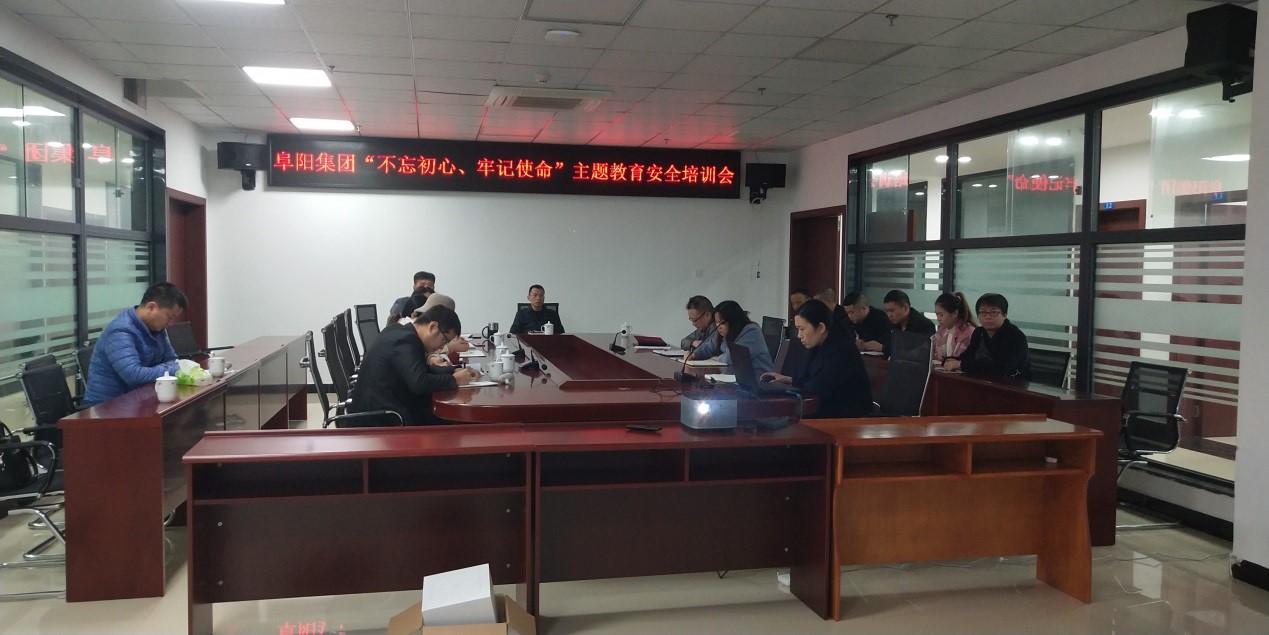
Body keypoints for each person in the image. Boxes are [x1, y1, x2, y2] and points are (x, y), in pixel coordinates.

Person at [349, 304, 480, 426]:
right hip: (382, 420)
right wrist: (454, 380)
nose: (442, 346)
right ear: (433, 327)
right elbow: (420, 382)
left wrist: (453, 371)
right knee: (456, 422)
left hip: (385, 409)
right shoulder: (406, 340)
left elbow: (421, 370)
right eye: (444, 340)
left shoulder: (399, 331)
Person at [762, 300, 871, 418]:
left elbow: (818, 386)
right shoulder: (818, 345)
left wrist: (789, 386)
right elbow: (810, 379)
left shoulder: (843, 350)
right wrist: (787, 379)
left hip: (846, 418)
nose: (799, 335)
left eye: (802, 329)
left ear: (820, 327)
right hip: (826, 410)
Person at [83, 282, 187, 406]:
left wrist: (170, 368)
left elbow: (172, 360)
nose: (171, 323)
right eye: (170, 317)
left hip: (139, 398)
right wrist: (177, 369)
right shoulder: (121, 330)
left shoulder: (157, 328)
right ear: (151, 307)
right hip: (106, 406)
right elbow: (134, 375)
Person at [944, 293, 1032, 380]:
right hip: (984, 382)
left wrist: (960, 364)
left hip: (1013, 385)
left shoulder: (1015, 336)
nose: (988, 317)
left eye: (993, 312)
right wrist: (951, 360)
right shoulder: (979, 332)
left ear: (1005, 314)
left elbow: (1001, 367)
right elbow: (967, 356)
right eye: (983, 313)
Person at [690, 300, 773, 375]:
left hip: (759, 380)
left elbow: (733, 358)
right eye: (716, 322)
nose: (718, 327)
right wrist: (694, 354)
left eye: (722, 323)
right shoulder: (725, 333)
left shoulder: (751, 331)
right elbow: (709, 346)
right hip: (735, 377)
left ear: (733, 321)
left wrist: (718, 358)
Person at [877, 289, 936, 356]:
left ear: (905, 308)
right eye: (887, 311)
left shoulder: (924, 325)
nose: (889, 315)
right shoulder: (893, 323)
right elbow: (886, 341)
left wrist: (884, 348)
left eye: (892, 311)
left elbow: (915, 352)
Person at [933, 291, 976, 366]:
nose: (938, 319)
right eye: (937, 315)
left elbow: (966, 360)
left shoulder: (968, 332)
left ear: (955, 313)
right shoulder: (941, 331)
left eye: (941, 315)